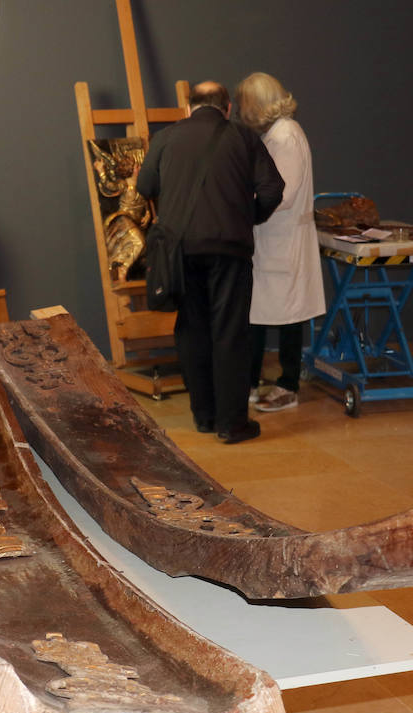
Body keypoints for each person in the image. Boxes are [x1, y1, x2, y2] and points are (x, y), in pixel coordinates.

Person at [137, 81, 285, 443]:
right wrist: (245, 216)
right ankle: (232, 424)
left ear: (188, 108)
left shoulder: (165, 138)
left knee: (192, 330)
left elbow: (144, 186)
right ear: (228, 107)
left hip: (180, 252)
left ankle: (203, 415)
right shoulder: (244, 138)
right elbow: (272, 189)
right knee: (230, 333)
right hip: (229, 250)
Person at [234, 72, 325, 412]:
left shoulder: (285, 136)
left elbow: (280, 194)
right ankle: (255, 380)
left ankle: (286, 384)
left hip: (282, 236)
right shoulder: (280, 134)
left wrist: (242, 204)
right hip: (277, 237)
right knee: (267, 312)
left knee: (285, 315)